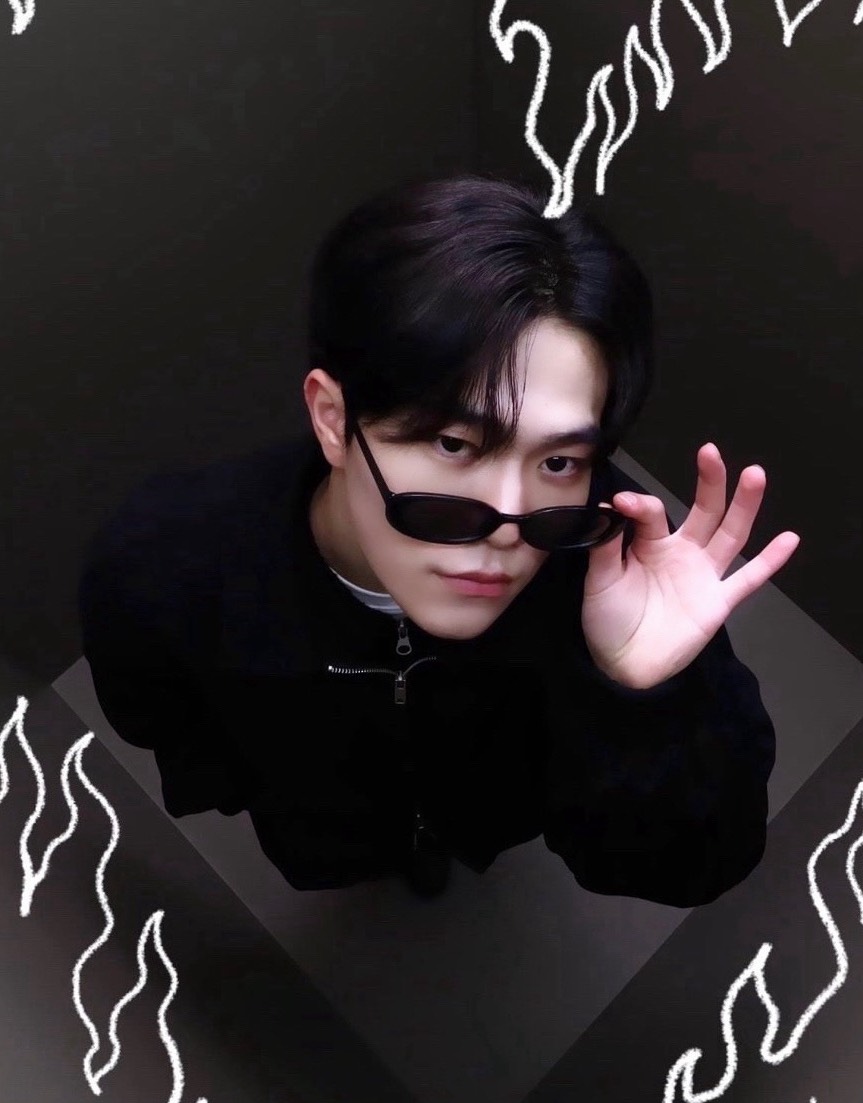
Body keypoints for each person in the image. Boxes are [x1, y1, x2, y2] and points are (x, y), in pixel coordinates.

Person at [78, 172, 800, 905]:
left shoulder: (611, 569)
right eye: (455, 444)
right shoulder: (162, 561)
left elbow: (692, 867)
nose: (508, 523)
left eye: (558, 461)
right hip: (326, 839)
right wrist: (260, 790)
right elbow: (160, 717)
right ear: (334, 419)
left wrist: (646, 699)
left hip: (487, 823)